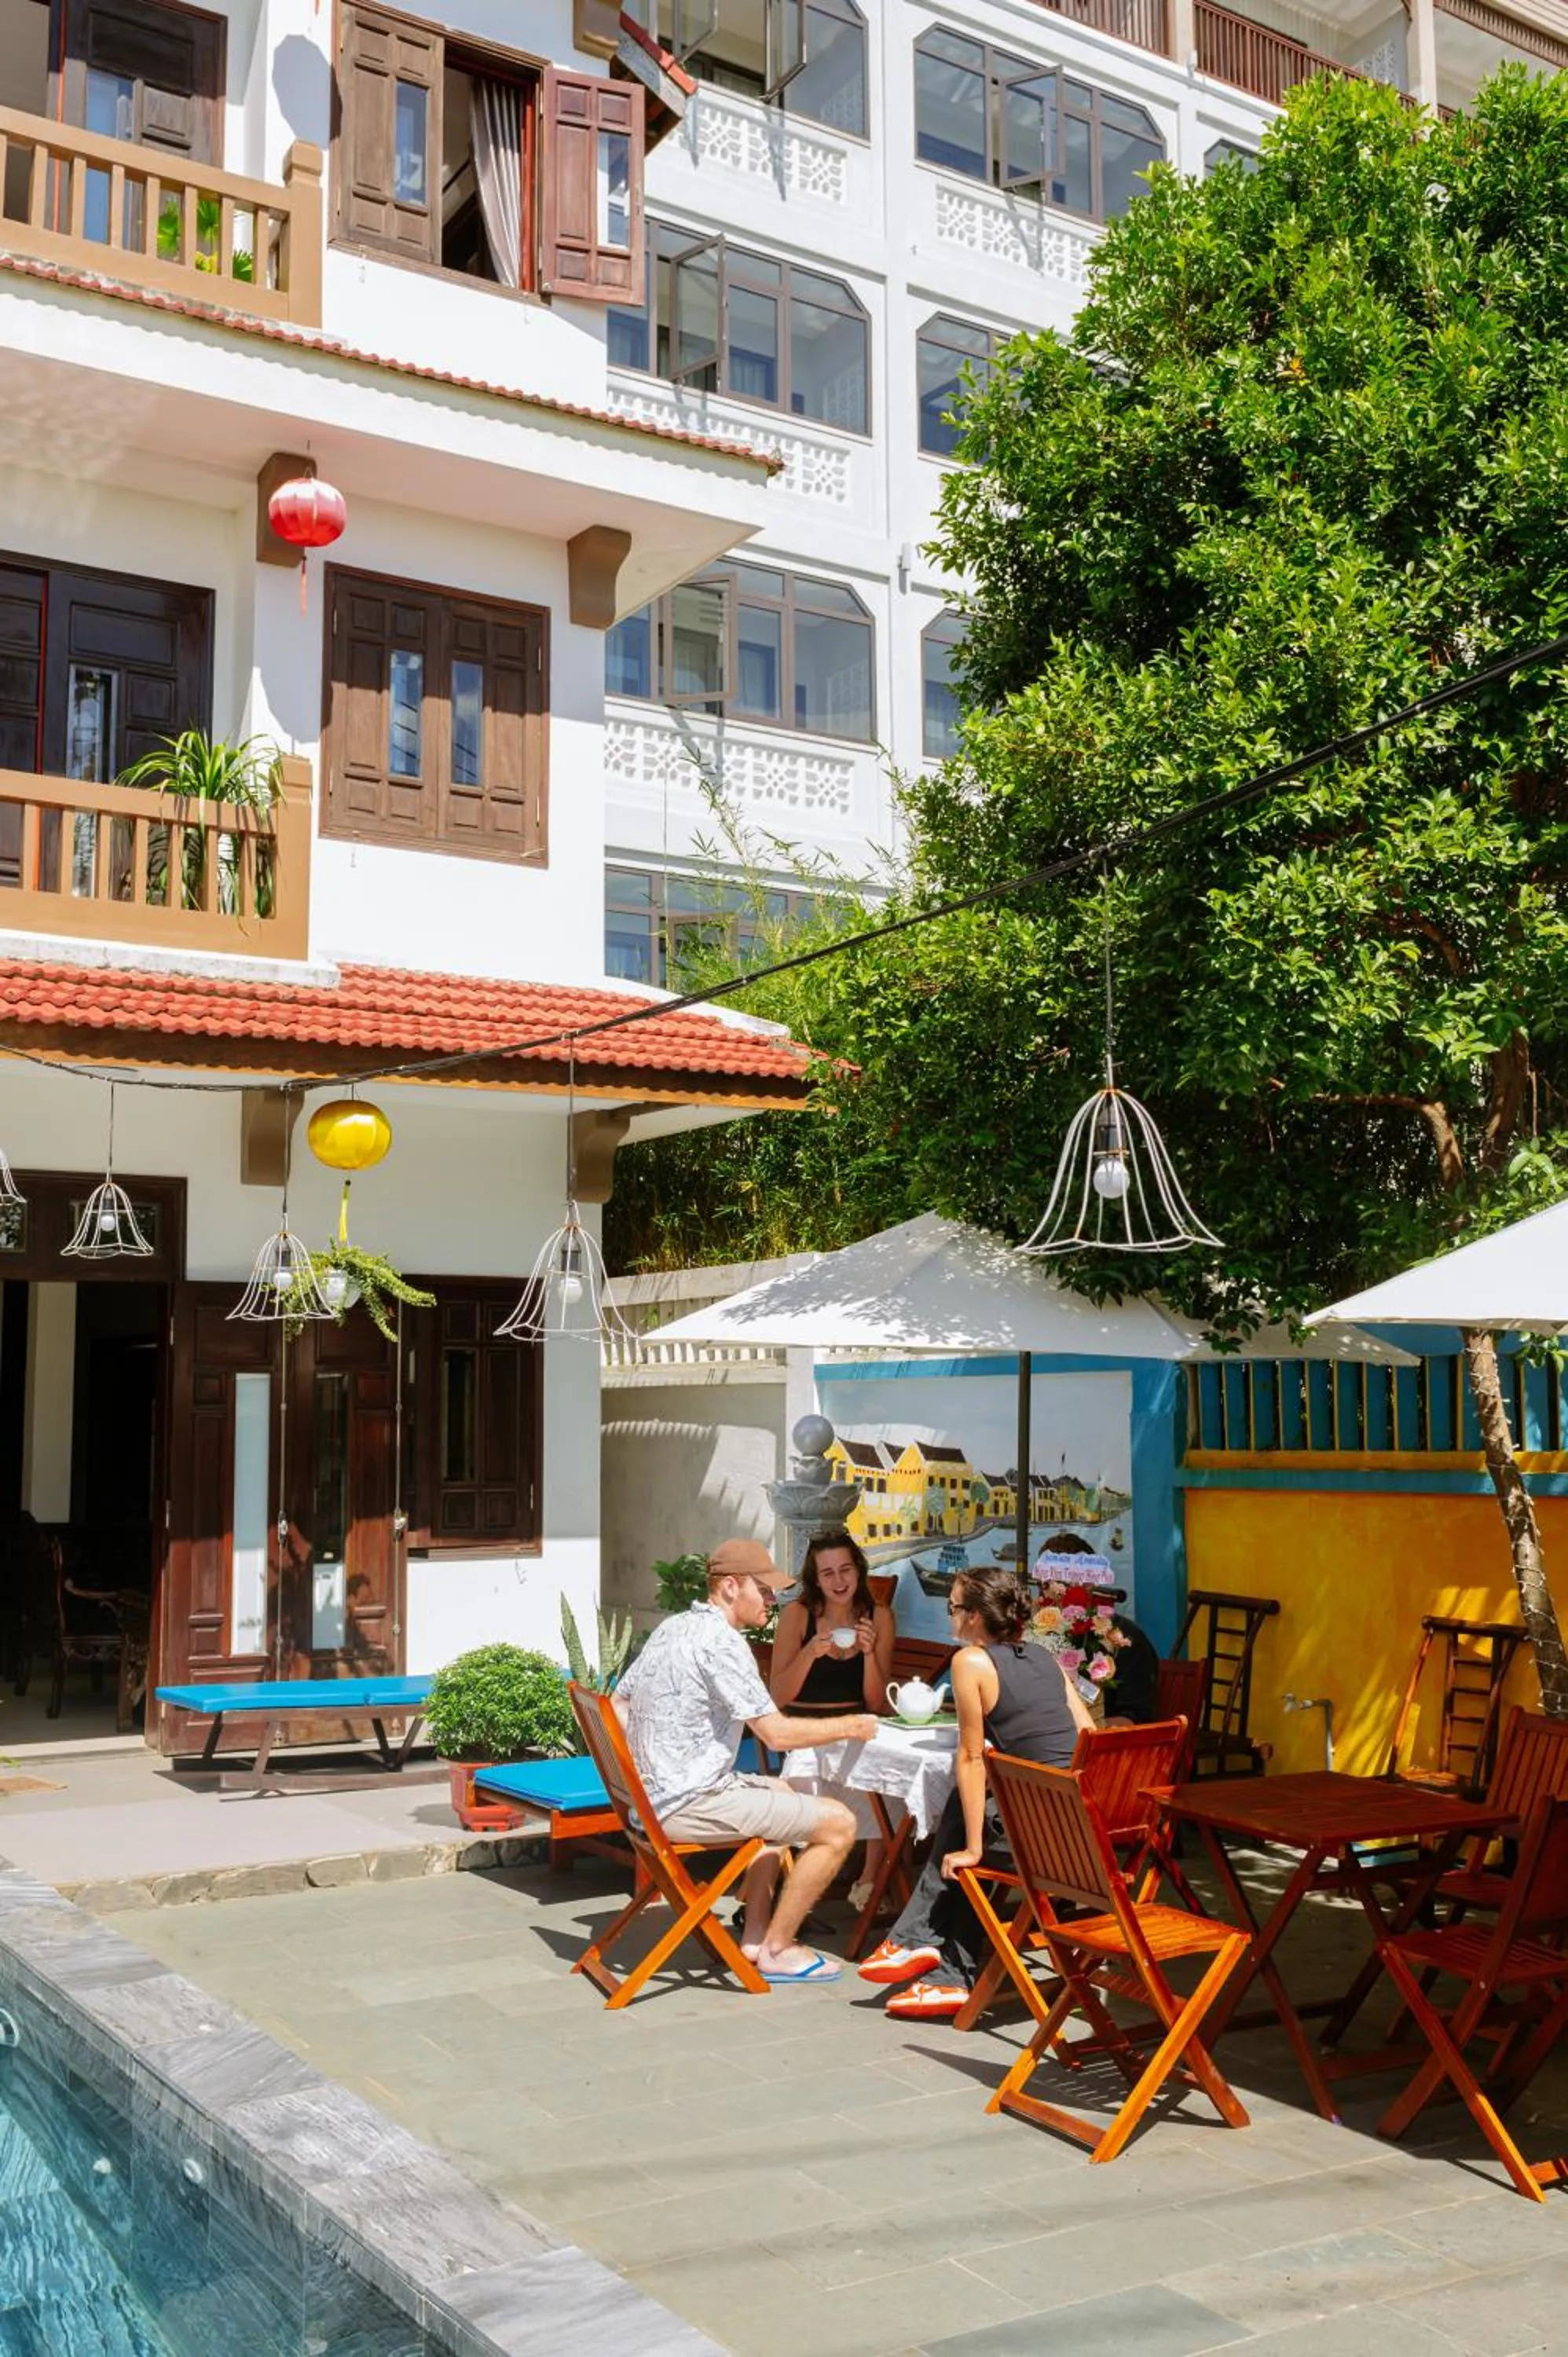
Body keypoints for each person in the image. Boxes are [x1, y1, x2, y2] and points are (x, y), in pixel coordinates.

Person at [616, 1536, 878, 1984]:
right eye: (766, 1589)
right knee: (840, 1824)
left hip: (651, 1803)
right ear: (731, 1587)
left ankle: (756, 1934)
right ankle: (779, 1948)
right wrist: (854, 1725)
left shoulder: (674, 1627)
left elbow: (618, 1706)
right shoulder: (723, 1643)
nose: (774, 1600)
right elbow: (775, 1735)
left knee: (782, 1791)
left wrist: (646, 1777)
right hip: (688, 1803)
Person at [859, 1559, 1094, 2019]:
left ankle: (917, 1942)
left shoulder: (970, 1661)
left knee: (968, 1821)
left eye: (953, 1607)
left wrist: (971, 1847)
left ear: (974, 1617)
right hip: (1081, 1825)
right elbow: (1088, 1733)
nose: (950, 1615)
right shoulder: (1045, 1658)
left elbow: (969, 1757)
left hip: (1041, 1836)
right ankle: (945, 1971)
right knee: (966, 1806)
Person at [769, 1527, 896, 1914]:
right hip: (805, 1730)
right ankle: (795, 1887)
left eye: (845, 1570)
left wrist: (870, 1654)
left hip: (855, 1727)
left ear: (858, 1570)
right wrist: (809, 1653)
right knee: (806, 1790)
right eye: (828, 1573)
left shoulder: (879, 1616)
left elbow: (877, 1702)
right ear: (816, 1579)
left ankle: (870, 1879)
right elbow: (777, 1697)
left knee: (890, 1783)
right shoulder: (798, 1616)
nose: (839, 1581)